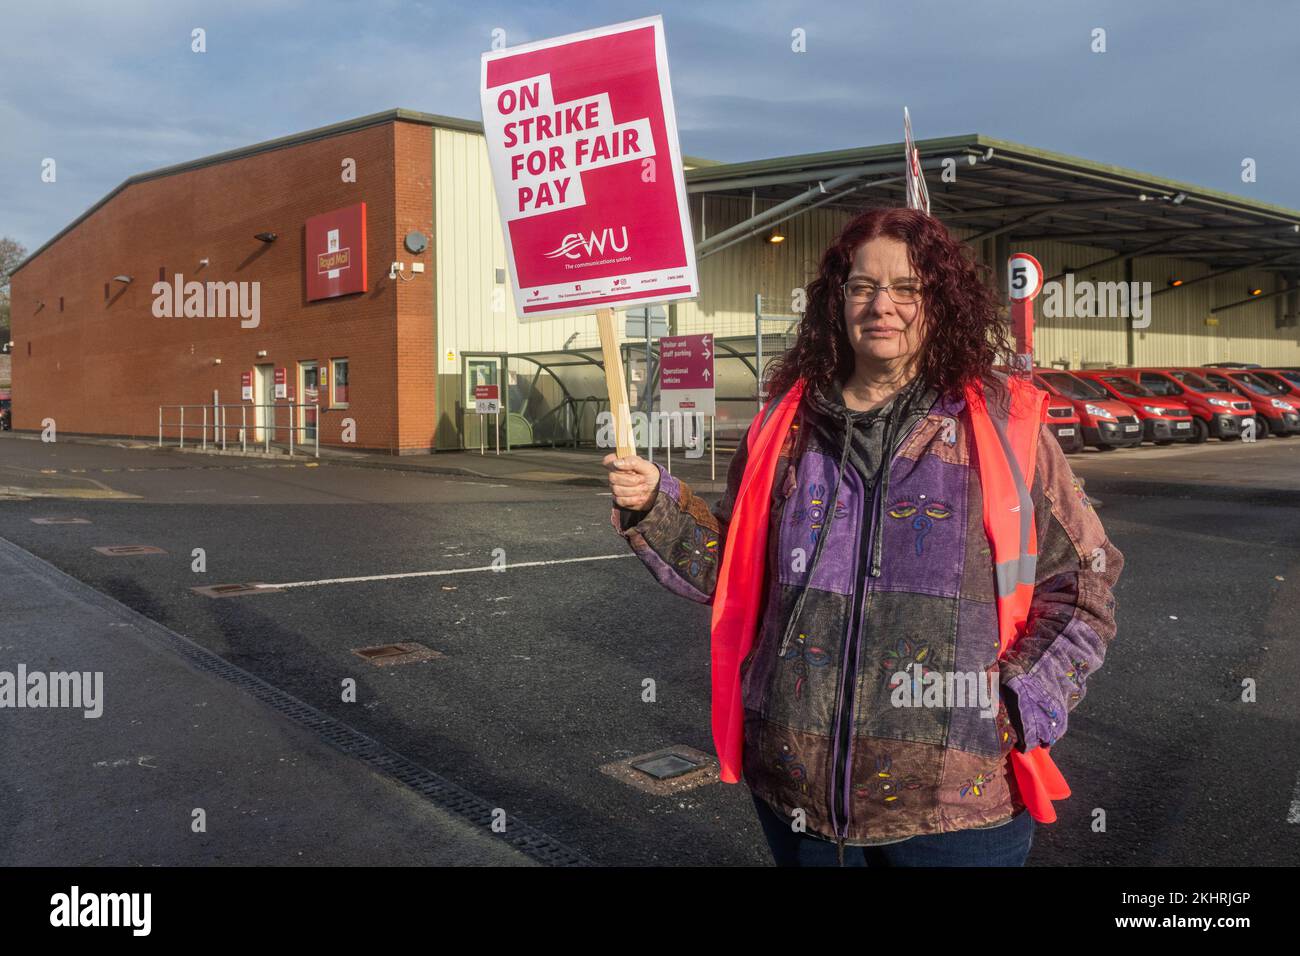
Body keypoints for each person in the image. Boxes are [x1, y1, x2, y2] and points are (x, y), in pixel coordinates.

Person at [604, 205, 1124, 867]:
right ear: (837, 299)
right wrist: (656, 504)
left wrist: (1020, 702)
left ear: (939, 302)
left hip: (957, 807)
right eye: (862, 285)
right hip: (798, 794)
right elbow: (732, 569)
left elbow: (1086, 582)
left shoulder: (1004, 427)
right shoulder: (786, 427)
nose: (883, 304)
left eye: (908, 287)